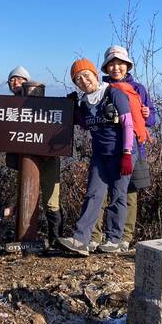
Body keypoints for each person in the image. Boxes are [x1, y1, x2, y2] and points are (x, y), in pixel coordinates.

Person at [57, 58, 137, 256]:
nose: (84, 81)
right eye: (78, 79)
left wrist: (127, 153)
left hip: (121, 152)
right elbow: (86, 124)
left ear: (94, 74)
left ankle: (114, 239)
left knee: (118, 195)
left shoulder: (113, 93)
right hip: (100, 154)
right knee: (93, 194)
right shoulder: (85, 101)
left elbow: (128, 124)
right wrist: (73, 108)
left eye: (86, 75)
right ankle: (81, 239)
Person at [88, 45, 156, 252]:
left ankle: (123, 238)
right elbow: (91, 116)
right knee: (100, 192)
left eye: (120, 64)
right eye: (112, 64)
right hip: (106, 149)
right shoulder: (100, 89)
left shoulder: (139, 89)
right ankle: (95, 236)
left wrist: (147, 114)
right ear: (106, 67)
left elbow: (153, 119)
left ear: (127, 66)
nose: (116, 68)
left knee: (128, 193)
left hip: (133, 148)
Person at [5, 66, 63, 246]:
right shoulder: (6, 106)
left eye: (20, 79)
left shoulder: (42, 104)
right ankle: (24, 239)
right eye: (12, 80)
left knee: (51, 202)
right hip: (24, 162)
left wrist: (69, 105)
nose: (16, 82)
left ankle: (56, 241)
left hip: (48, 160)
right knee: (24, 197)